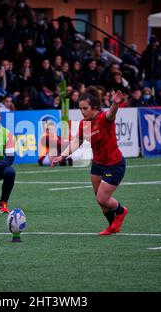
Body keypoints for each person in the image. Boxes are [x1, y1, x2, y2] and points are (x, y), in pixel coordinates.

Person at [51, 87, 128, 235]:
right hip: (98, 164)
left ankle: (121, 211)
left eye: (85, 108)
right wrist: (62, 156)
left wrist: (115, 104)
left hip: (114, 164)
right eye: (80, 109)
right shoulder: (84, 123)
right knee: (100, 201)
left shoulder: (104, 119)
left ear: (94, 108)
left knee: (102, 198)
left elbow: (111, 113)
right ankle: (112, 226)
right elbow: (76, 142)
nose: (82, 112)